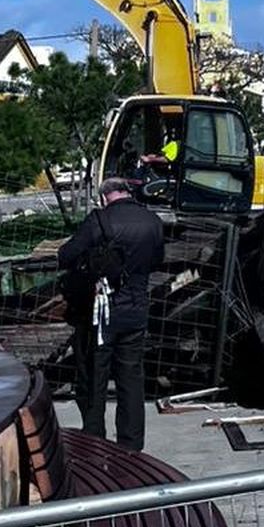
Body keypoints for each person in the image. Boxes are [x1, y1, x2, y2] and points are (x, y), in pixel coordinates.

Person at [58, 177, 164, 451]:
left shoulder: (99, 220)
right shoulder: (152, 221)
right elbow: (157, 260)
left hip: (100, 315)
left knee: (94, 378)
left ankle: (95, 440)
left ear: (105, 196)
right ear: (127, 192)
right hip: (136, 310)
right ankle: (131, 446)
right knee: (131, 379)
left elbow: (66, 255)